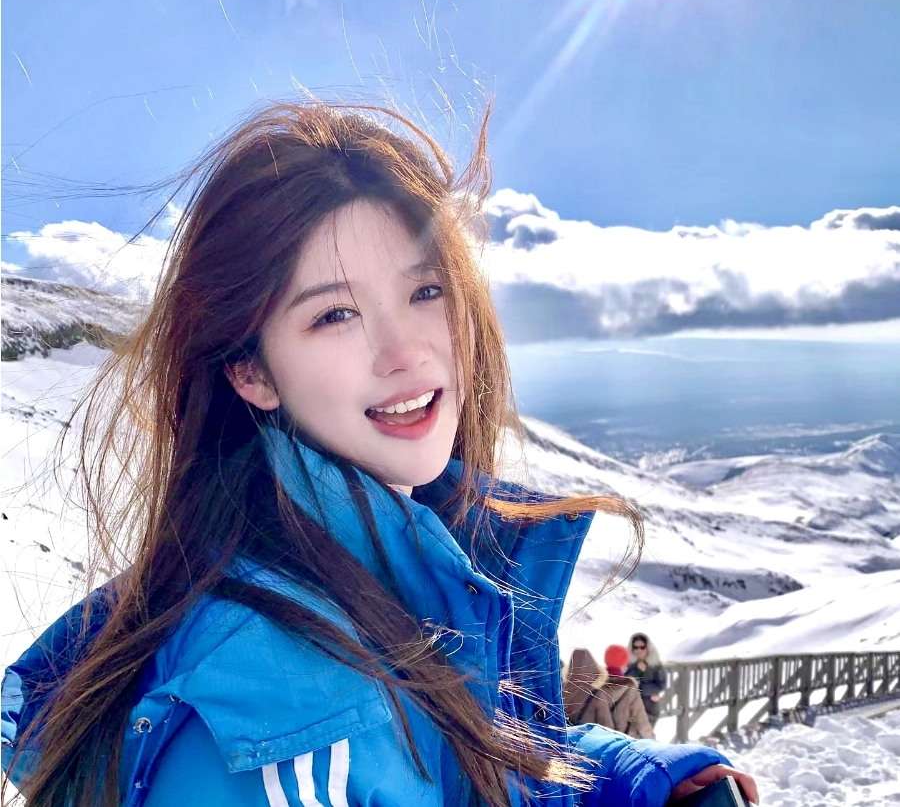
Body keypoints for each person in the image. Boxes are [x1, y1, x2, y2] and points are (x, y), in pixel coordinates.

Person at [0, 101, 757, 807]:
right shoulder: (291, 729)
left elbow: (452, 755)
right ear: (250, 371)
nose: (405, 352)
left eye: (425, 292)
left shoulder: (376, 564)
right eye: (335, 314)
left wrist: (626, 778)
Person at [563, 647, 654, 740]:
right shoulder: (628, 689)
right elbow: (641, 720)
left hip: (577, 740)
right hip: (621, 739)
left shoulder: (595, 686)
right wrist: (652, 740)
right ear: (625, 663)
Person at [626, 632, 668, 730]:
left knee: (646, 734)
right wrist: (637, 671)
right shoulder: (629, 663)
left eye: (642, 647)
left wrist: (642, 689)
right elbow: (626, 681)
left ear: (648, 648)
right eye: (635, 647)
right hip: (631, 708)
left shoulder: (655, 664)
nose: (639, 650)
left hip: (649, 707)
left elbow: (661, 684)